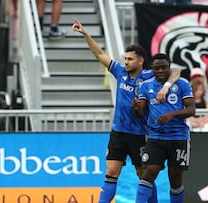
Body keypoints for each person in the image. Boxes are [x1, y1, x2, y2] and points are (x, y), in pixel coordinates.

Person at [72, 18, 181, 203]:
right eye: (125, 59)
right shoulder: (120, 72)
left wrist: (166, 86)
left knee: (143, 175)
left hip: (139, 134)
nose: (126, 62)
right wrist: (85, 34)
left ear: (140, 60)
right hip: (118, 132)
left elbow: (176, 70)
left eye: (130, 59)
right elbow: (99, 54)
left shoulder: (149, 76)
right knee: (111, 171)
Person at [132, 53, 195, 203]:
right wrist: (136, 108)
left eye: (163, 67)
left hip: (178, 137)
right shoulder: (146, 86)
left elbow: (191, 109)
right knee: (149, 172)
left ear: (169, 67)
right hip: (155, 137)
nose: (160, 71)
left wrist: (172, 114)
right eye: (157, 68)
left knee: (175, 177)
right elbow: (141, 112)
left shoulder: (182, 84)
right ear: (152, 69)